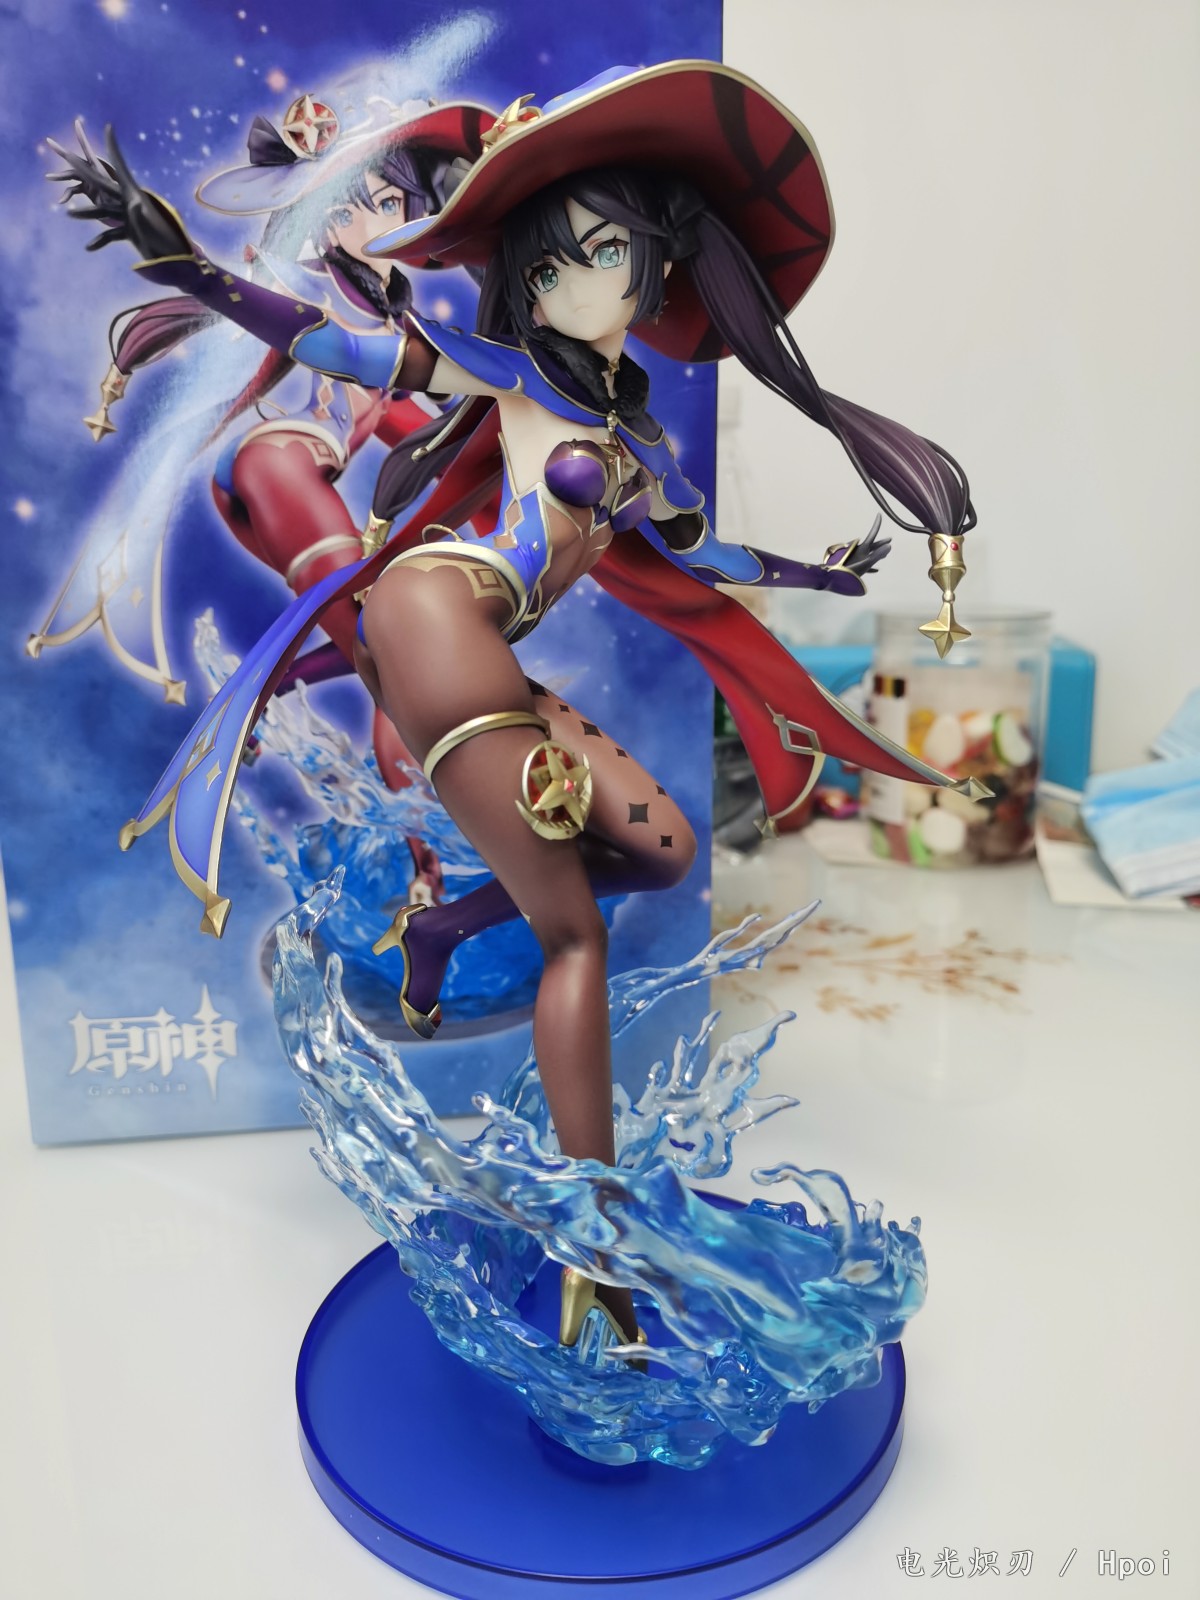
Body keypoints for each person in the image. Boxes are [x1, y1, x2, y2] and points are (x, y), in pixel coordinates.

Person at [52, 61, 983, 1363]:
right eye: (545, 264)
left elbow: (702, 555)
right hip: (434, 620)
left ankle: (438, 930)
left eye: (601, 253)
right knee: (576, 941)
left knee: (661, 849)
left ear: (659, 263)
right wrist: (184, 264)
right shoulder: (501, 369)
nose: (568, 283)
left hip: (482, 653)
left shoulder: (642, 441)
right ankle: (595, 1255)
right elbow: (335, 345)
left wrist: (825, 573)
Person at [54, 93, 493, 790]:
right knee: (388, 647)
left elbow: (429, 425)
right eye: (349, 210)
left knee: (389, 625)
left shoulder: (399, 326)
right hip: (275, 465)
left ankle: (261, 697)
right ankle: (426, 805)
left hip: (286, 484)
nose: (378, 222)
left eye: (392, 203)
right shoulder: (307, 291)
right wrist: (158, 241)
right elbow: (217, 288)